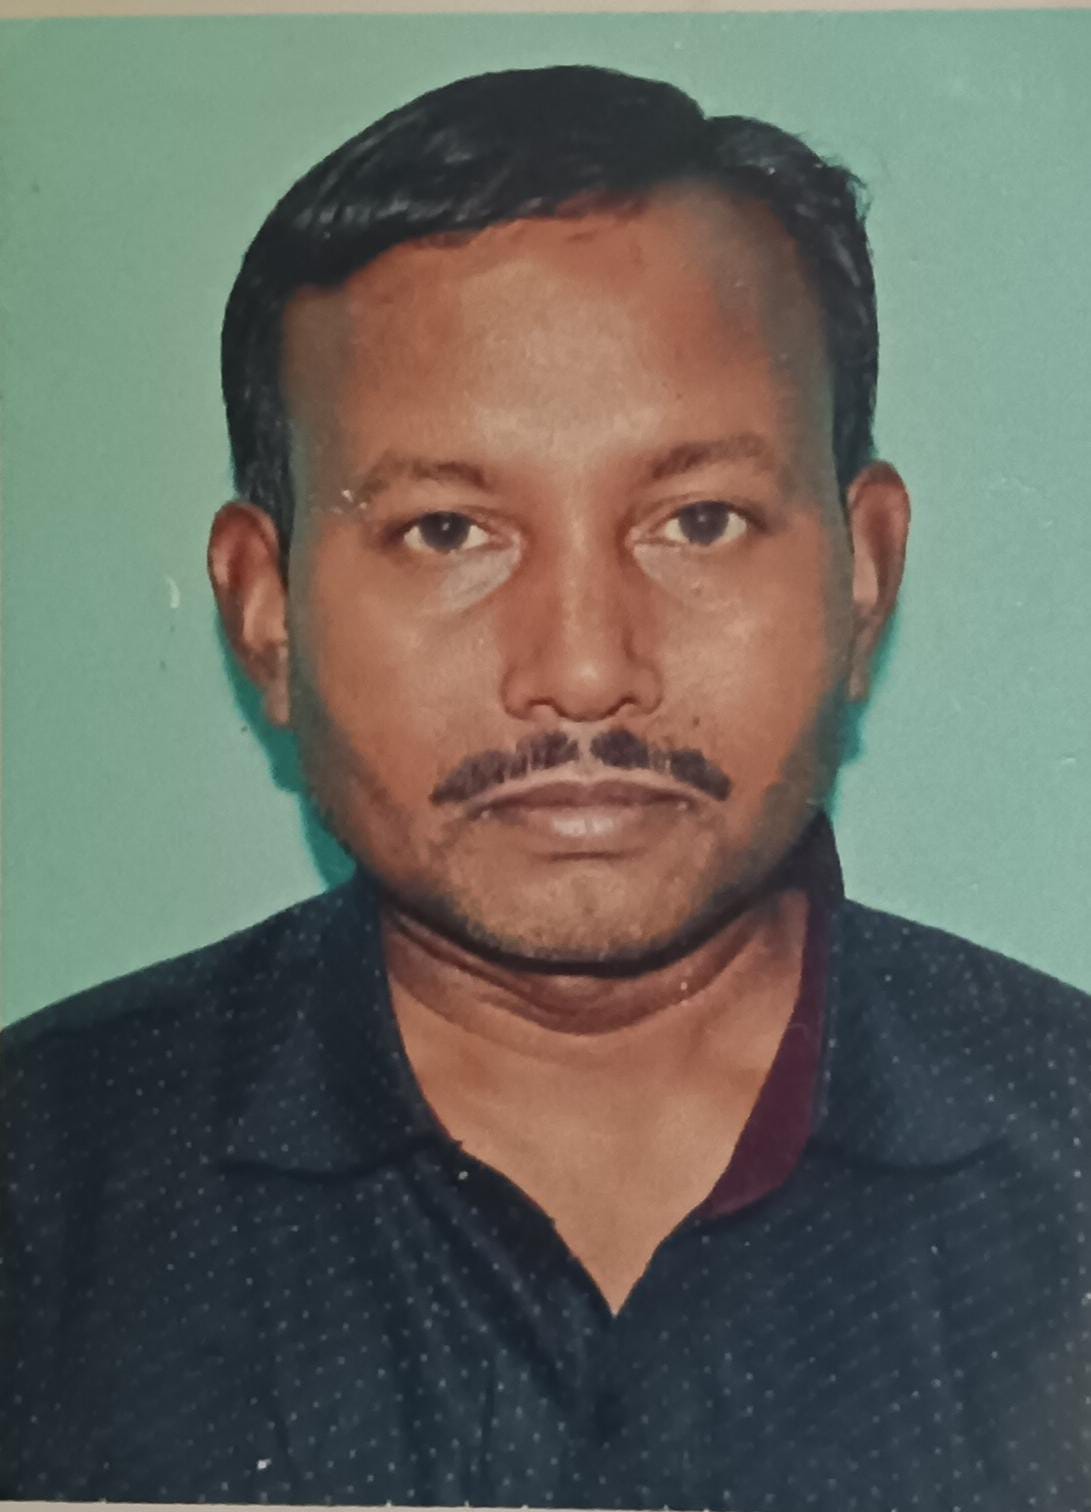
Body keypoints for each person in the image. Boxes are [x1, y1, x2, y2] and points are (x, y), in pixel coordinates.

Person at [2, 64, 1088, 1512]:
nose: (583, 673)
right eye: (449, 532)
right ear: (267, 615)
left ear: (864, 574)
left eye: (699, 521)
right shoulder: (41, 1195)